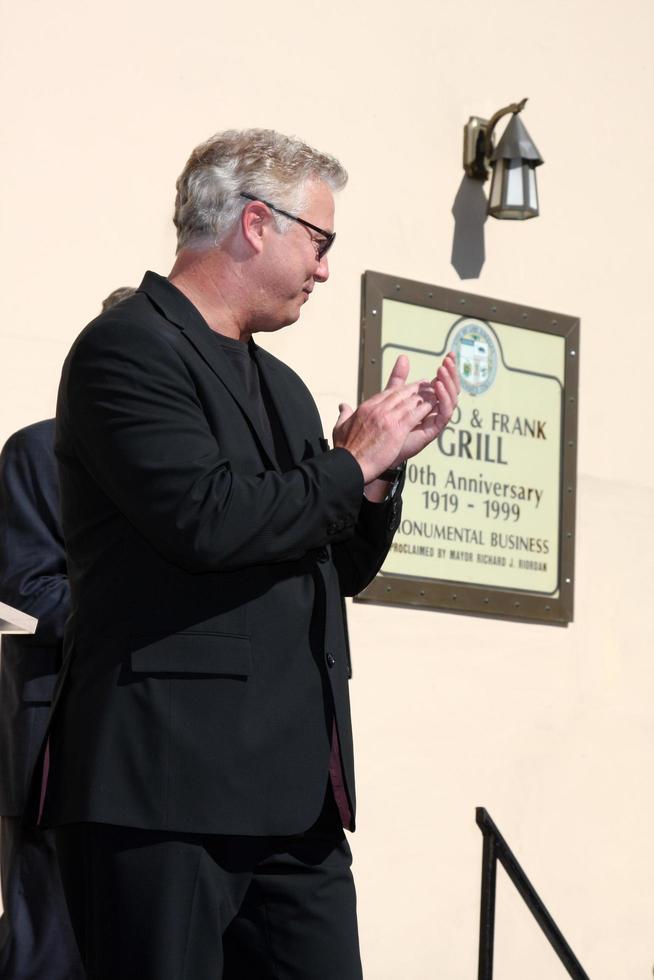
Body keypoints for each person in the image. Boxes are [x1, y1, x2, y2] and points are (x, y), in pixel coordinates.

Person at [40, 129, 459, 980]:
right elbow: (207, 519)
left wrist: (376, 481)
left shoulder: (282, 386)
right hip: (165, 791)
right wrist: (350, 464)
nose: (326, 268)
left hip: (293, 799)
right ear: (256, 224)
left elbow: (329, 568)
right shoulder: (126, 349)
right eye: (321, 240)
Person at [0, 288, 134, 980]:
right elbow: (25, 586)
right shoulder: (33, 450)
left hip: (154, 753)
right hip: (57, 742)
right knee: (50, 949)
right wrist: (138, 607)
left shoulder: (184, 467)